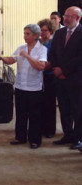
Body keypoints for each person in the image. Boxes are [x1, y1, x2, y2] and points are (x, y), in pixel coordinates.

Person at [0, 24, 47, 149]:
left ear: (36, 36)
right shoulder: (21, 48)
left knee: (34, 115)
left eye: (27, 34)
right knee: (20, 114)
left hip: (34, 88)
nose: (24, 36)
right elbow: (11, 60)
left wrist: (26, 56)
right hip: (20, 86)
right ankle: (20, 137)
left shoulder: (42, 49)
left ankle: (34, 140)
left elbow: (40, 66)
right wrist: (1, 57)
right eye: (24, 33)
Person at [48, 6, 82, 150]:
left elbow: (79, 58)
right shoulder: (60, 33)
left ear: (77, 18)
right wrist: (56, 69)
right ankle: (67, 135)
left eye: (70, 16)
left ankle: (78, 138)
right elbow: (53, 53)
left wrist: (64, 70)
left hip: (75, 79)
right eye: (65, 16)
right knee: (64, 109)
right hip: (60, 78)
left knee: (77, 110)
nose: (66, 19)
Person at [37, 19, 56, 138]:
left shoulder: (53, 43)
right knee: (39, 103)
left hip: (49, 76)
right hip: (38, 76)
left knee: (49, 103)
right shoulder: (37, 42)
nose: (42, 33)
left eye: (45, 30)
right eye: (41, 30)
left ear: (50, 31)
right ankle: (41, 128)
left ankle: (50, 130)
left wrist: (43, 67)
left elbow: (54, 59)